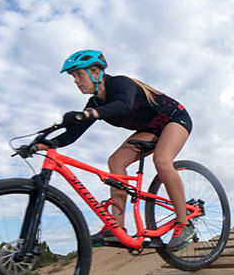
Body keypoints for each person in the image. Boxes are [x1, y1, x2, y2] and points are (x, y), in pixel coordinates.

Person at [50, 49, 195, 251]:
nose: (75, 81)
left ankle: (184, 223)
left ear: (96, 72)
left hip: (174, 118)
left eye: (79, 74)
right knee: (116, 161)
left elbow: (123, 105)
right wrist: (40, 145)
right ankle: (116, 227)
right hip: (150, 129)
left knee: (162, 161)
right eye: (73, 77)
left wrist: (87, 114)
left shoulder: (119, 83)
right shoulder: (95, 103)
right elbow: (71, 135)